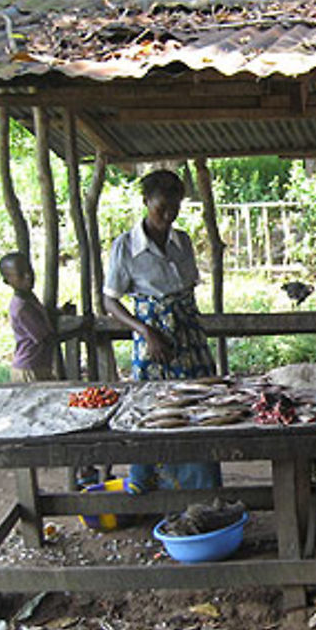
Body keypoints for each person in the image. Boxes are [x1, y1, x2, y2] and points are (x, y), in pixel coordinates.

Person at [103, 169, 220, 494]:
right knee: (153, 410)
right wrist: (145, 332)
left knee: (199, 408)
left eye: (175, 207)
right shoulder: (125, 248)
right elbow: (109, 302)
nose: (169, 214)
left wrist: (187, 329)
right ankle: (150, 490)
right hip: (152, 339)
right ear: (145, 202)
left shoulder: (181, 241)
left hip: (189, 335)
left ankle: (202, 490)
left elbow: (186, 292)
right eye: (162, 208)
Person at [0, 252, 57, 382]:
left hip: (37, 366)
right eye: (20, 274)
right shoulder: (22, 307)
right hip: (29, 369)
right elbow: (45, 337)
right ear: (7, 280)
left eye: (29, 270)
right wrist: (78, 327)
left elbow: (41, 316)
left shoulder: (28, 297)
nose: (28, 276)